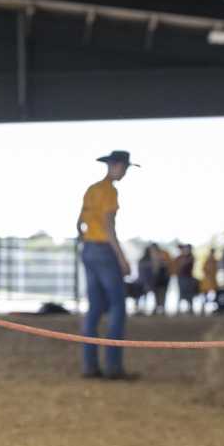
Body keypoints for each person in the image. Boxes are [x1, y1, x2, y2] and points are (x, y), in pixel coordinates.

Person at [75, 149, 136, 379]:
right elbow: (109, 225)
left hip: (89, 248)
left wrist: (86, 241)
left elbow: (79, 222)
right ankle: (113, 367)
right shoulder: (110, 191)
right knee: (117, 307)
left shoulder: (92, 189)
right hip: (103, 250)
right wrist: (121, 257)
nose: (125, 172)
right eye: (126, 168)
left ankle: (89, 366)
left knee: (94, 308)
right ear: (118, 166)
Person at [174, 242, 198, 314]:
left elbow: (184, 264)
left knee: (189, 293)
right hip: (182, 277)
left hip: (188, 277)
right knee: (182, 293)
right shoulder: (182, 257)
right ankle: (179, 309)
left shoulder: (190, 257)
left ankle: (190, 308)